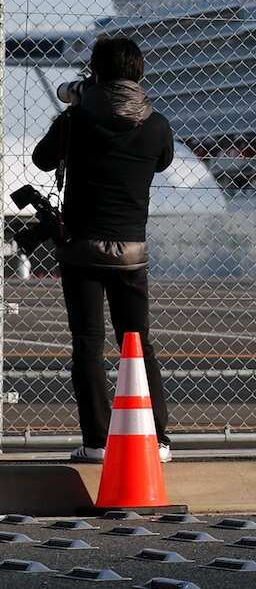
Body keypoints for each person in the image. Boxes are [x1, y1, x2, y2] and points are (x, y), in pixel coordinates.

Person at [31, 36, 174, 463]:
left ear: (94, 72)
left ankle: (96, 442)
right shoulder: (157, 124)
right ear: (139, 72)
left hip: (81, 249)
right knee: (137, 342)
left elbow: (41, 159)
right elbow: (163, 161)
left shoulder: (77, 120)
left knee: (88, 344)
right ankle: (158, 440)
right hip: (131, 249)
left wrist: (73, 109)